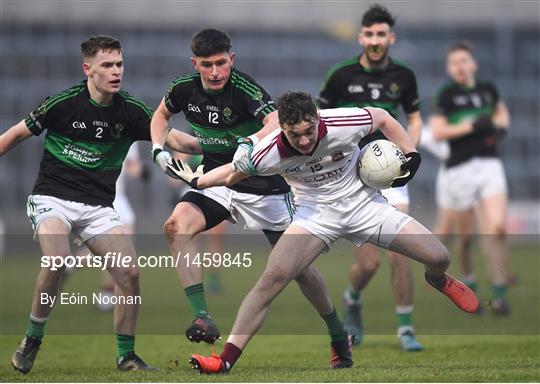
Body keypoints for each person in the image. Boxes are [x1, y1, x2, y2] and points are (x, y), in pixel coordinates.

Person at [167, 91, 479, 373]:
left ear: (317, 118)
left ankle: (436, 279)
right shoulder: (269, 151)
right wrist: (198, 181)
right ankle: (224, 361)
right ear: (282, 130)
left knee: (439, 256)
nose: (303, 141)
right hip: (315, 217)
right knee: (271, 280)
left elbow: (383, 117)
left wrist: (411, 153)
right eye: (294, 135)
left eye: (308, 132)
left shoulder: (343, 121)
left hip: (366, 207)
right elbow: (233, 174)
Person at [150, 29, 353, 367]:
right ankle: (202, 316)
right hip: (218, 181)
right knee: (175, 226)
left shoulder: (244, 88)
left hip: (265, 189)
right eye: (207, 65)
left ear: (232, 59)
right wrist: (158, 149)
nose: (215, 72)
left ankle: (336, 331)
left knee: (300, 271)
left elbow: (274, 122)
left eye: (221, 63)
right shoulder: (182, 89)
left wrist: (250, 142)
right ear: (194, 64)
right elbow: (159, 116)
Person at [0, 35, 198, 374]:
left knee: (130, 274)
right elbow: (16, 134)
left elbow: (175, 137)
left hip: (97, 207)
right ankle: (32, 339)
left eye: (119, 64)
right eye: (107, 65)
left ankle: (126, 357)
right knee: (58, 259)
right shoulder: (62, 103)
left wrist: (220, 145)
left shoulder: (131, 110)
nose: (116, 71)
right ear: (88, 69)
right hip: (53, 198)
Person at [317, 4, 423, 350]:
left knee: (401, 251)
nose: (376, 40)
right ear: (361, 37)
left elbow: (414, 117)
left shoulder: (404, 76)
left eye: (382, 35)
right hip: (351, 175)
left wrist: (408, 152)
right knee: (369, 263)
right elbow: (321, 119)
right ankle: (352, 298)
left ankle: (405, 328)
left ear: (390, 38)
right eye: (370, 34)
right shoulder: (341, 75)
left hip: (391, 173)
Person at [429, 41, 511, 315]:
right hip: (459, 169)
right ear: (449, 68)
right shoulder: (447, 95)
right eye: (454, 63)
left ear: (473, 64)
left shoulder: (488, 90)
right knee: (464, 237)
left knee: (496, 227)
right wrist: (471, 125)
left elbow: (502, 116)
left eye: (464, 61)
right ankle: (470, 281)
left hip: (489, 164)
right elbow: (438, 131)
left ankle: (499, 295)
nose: (460, 67)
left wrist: (497, 128)